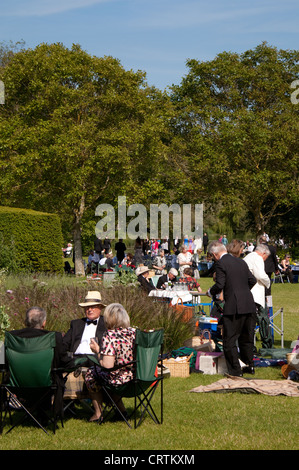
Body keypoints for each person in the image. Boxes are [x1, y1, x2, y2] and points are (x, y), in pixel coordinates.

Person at [207, 241, 257, 377]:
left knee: (229, 340)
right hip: (249, 303)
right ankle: (249, 365)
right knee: (246, 338)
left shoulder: (221, 264)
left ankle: (235, 371)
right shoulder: (241, 262)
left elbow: (219, 284)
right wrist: (243, 292)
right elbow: (252, 280)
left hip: (234, 306)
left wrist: (210, 292)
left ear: (215, 254)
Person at [84, 303, 136, 422]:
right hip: (138, 378)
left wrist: (97, 351)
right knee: (111, 374)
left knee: (91, 374)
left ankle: (98, 414)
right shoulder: (134, 332)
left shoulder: (110, 335)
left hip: (121, 381)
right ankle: (122, 412)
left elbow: (107, 365)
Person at [62, 291, 107, 366]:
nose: (89, 310)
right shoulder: (76, 324)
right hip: (76, 359)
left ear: (100, 308)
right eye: (87, 307)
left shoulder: (106, 324)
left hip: (96, 360)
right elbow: (64, 344)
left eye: (93, 307)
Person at [244, 245, 272, 349]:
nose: (265, 260)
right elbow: (260, 275)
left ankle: (250, 345)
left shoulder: (248, 257)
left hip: (247, 293)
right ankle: (267, 344)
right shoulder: (257, 258)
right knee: (263, 319)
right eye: (266, 258)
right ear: (263, 254)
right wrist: (268, 282)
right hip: (256, 294)